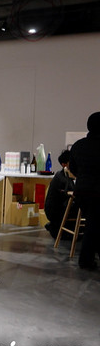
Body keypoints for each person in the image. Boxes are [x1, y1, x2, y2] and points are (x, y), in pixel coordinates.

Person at [69, 111, 100, 270]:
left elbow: (72, 169)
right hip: (97, 192)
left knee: (92, 224)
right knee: (93, 226)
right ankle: (86, 260)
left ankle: (87, 259)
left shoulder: (78, 145)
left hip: (81, 192)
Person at [44, 150, 76, 239]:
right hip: (57, 215)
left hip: (57, 215)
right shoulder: (62, 178)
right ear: (64, 164)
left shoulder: (64, 175)